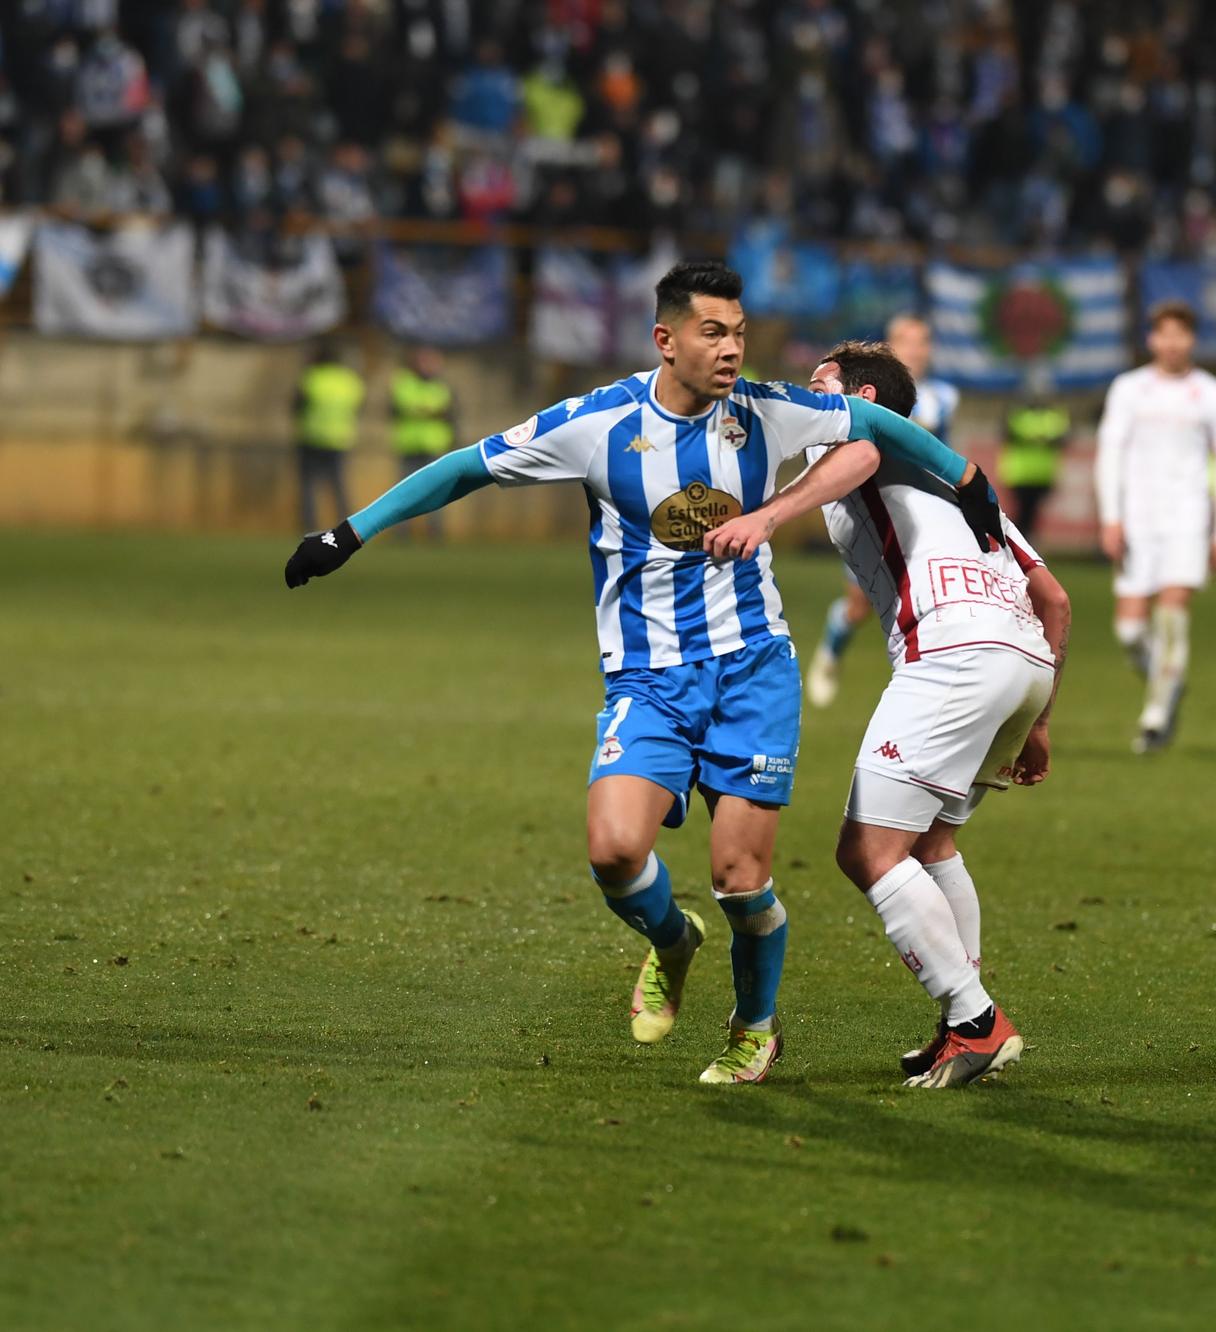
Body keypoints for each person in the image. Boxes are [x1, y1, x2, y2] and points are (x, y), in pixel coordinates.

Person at [283, 261, 1007, 1085]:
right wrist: (349, 533)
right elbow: (462, 468)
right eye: (713, 333)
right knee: (615, 850)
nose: (732, 348)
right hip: (648, 679)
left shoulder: (767, 411)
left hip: (753, 671)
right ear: (665, 339)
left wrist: (968, 479)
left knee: (741, 881)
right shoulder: (598, 422)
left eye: (738, 332)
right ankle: (672, 939)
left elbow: (883, 430)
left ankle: (754, 1030)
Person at [704, 340, 1070, 1088]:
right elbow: (1055, 599)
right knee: (933, 845)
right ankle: (957, 1027)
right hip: (1024, 661)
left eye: (822, 384)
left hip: (953, 654)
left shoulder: (864, 442)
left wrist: (770, 514)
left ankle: (975, 1020)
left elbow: (861, 451)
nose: (811, 396)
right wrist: (1037, 720)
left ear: (862, 397)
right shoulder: (957, 478)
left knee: (868, 852)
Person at [1094, 300, 1216, 754]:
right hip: (1138, 520)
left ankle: (1155, 717)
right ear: (1152, 339)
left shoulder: (1213, 395)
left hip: (1187, 519)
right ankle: (1169, 682)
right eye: (1164, 333)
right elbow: (1111, 453)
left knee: (1173, 613)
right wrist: (1111, 517)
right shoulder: (1128, 389)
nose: (1172, 343)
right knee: (1130, 632)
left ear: (1191, 340)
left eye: (1181, 334)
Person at [805, 312, 960, 708]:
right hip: (873, 509)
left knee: (926, 596)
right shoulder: (868, 393)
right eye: (907, 341)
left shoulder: (943, 395)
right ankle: (830, 653)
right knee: (860, 604)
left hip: (919, 511)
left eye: (922, 341)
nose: (916, 350)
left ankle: (926, 681)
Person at [388, 345, 457, 541]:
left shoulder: (441, 385)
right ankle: (402, 533)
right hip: (409, 444)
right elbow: (403, 406)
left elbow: (448, 413)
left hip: (434, 445)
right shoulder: (404, 382)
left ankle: (435, 532)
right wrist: (429, 411)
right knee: (404, 492)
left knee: (436, 493)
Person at [294, 340, 365, 531]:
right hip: (340, 439)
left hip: (312, 437)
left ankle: (309, 526)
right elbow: (358, 407)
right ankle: (349, 528)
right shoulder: (350, 380)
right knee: (339, 486)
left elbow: (297, 405)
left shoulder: (312, 377)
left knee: (309, 487)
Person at [997, 397, 1071, 540]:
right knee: (1023, 514)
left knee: (1029, 515)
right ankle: (1017, 544)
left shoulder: (1050, 416)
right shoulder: (1020, 415)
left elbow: (1064, 439)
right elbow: (1006, 434)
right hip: (1020, 474)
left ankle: (1020, 544)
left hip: (1038, 474)